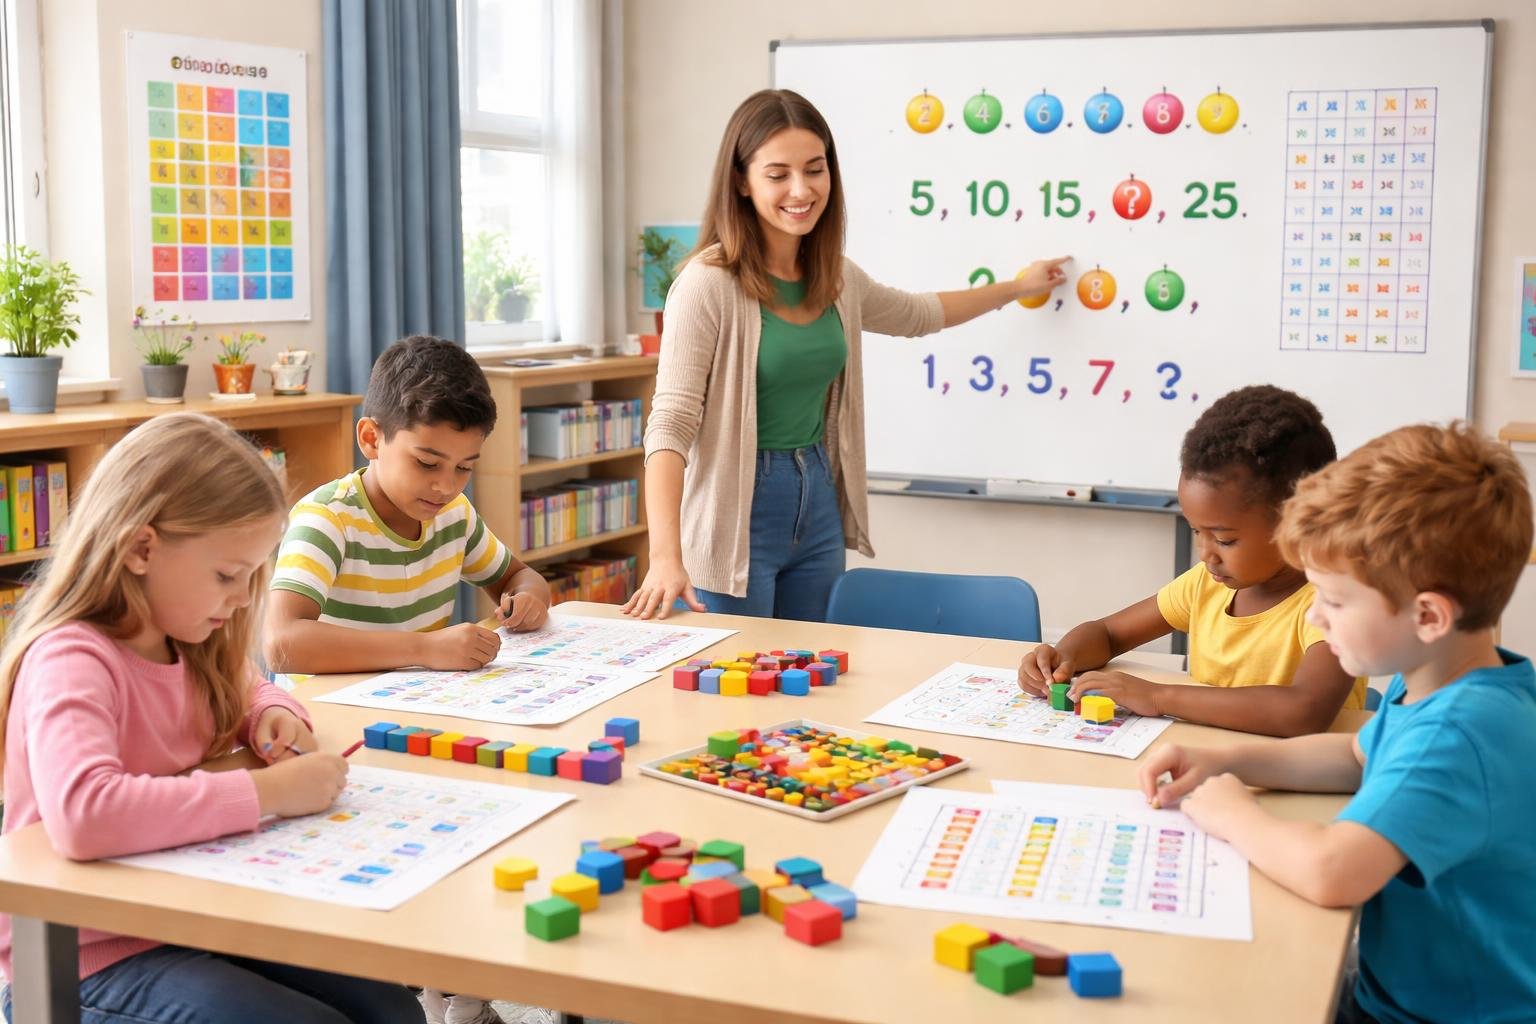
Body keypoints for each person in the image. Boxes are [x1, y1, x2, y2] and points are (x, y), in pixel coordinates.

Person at [0, 413, 421, 1023]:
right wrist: (265, 791)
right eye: (229, 574)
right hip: (84, 953)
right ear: (141, 548)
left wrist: (273, 713)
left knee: (392, 1009)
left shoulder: (189, 637)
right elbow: (84, 814)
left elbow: (251, 691)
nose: (246, 596)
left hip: (188, 910)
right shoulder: (71, 656)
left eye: (255, 573)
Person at [622, 88, 1069, 622]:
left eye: (815, 169)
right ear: (741, 181)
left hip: (816, 501)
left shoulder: (836, 277)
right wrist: (665, 557)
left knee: (810, 671)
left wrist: (1019, 287)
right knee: (733, 678)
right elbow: (669, 425)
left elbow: (918, 314)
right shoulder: (706, 285)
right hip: (733, 513)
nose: (801, 189)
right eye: (778, 173)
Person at [1139, 422, 1536, 1023]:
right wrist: (1227, 761)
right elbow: (1356, 757)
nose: (1317, 619)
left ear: (1427, 615)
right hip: (1397, 986)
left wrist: (1234, 815)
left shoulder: (1456, 732)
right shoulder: (1439, 676)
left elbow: (1332, 873)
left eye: (1336, 600)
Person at [1019, 385, 1364, 736]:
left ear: (1299, 520)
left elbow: (1304, 711)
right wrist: (1064, 658)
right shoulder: (1205, 584)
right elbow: (1107, 633)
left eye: (1225, 539)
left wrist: (1158, 695)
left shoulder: (1333, 603)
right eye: (1198, 532)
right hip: (1209, 764)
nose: (1205, 553)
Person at [266, 334, 551, 676]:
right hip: (321, 712)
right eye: (427, 463)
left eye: (464, 468)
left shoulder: (453, 515)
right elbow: (282, 643)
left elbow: (520, 576)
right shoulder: (326, 519)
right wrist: (424, 647)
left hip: (407, 702)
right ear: (371, 439)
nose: (446, 486)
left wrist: (529, 599)